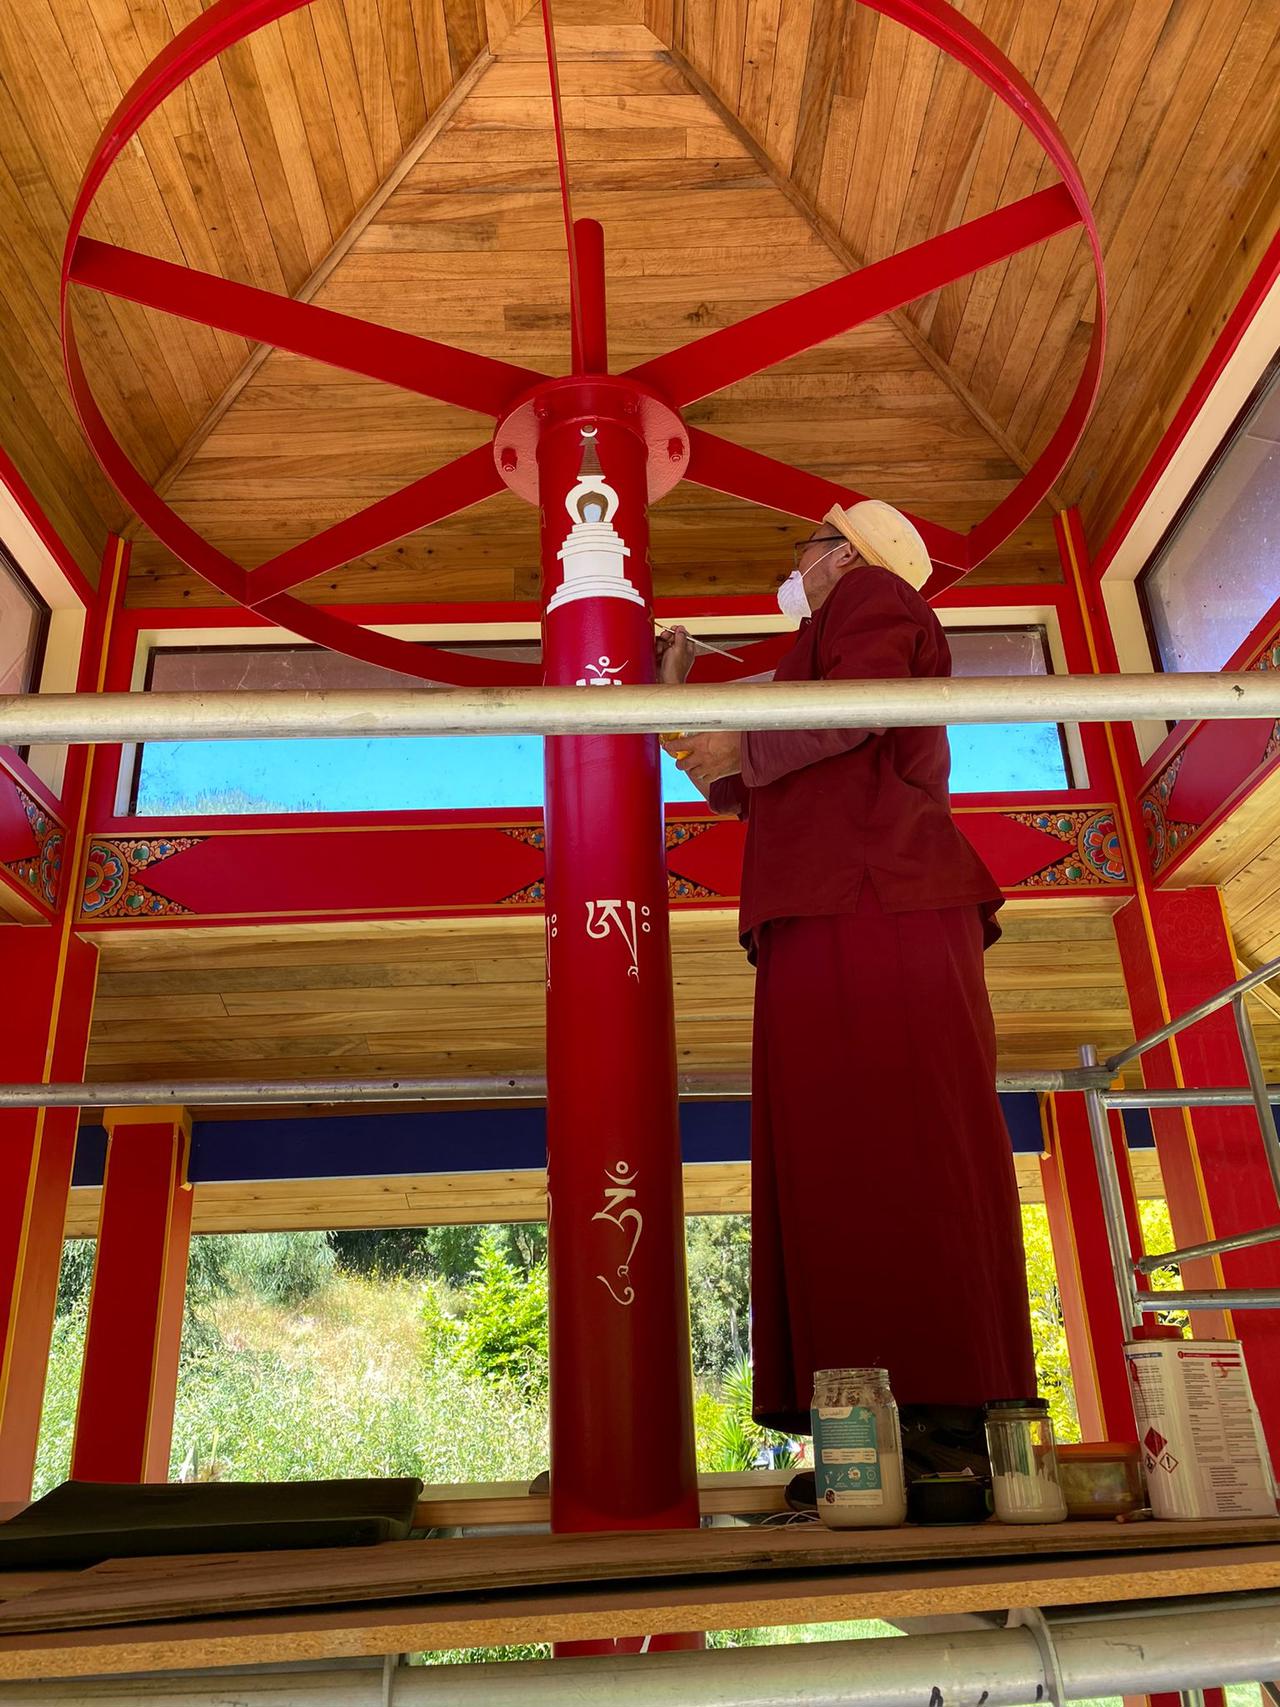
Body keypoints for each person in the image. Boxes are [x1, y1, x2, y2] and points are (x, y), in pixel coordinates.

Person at [657, 500, 1037, 1480]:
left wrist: (741, 744)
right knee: (845, 1152)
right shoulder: (811, 655)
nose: (797, 561)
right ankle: (879, 1424)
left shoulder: (871, 596)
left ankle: (938, 1414)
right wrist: (687, 720)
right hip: (835, 901)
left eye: (807, 545)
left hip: (873, 895)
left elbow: (853, 707)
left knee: (889, 1144)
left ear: (843, 556)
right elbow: (756, 778)